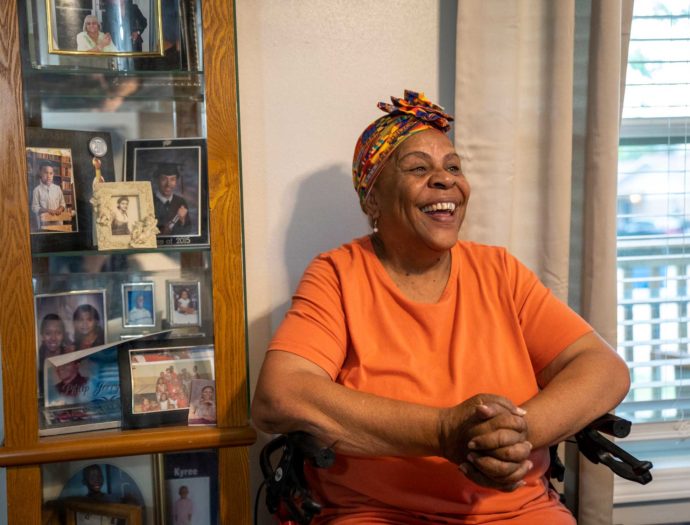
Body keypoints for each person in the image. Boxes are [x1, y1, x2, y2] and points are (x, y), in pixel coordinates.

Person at [251, 90, 631, 524]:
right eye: (418, 168)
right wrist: (444, 432)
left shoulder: (499, 271)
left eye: (453, 167)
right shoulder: (338, 274)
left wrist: (517, 436)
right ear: (371, 199)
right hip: (377, 513)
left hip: (518, 511)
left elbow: (603, 368)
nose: (445, 179)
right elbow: (279, 397)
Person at [151, 163, 193, 236]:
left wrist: (182, 220)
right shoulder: (149, 200)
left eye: (172, 179)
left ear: (176, 182)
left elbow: (187, 231)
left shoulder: (181, 202)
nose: (168, 184)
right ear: (157, 180)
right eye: (164, 179)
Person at [30, 162, 67, 232]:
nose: (49, 176)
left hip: (58, 223)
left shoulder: (57, 188)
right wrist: (48, 210)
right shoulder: (37, 190)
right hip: (44, 224)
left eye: (51, 173)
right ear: (40, 173)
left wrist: (60, 209)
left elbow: (63, 204)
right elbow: (34, 208)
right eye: (46, 173)